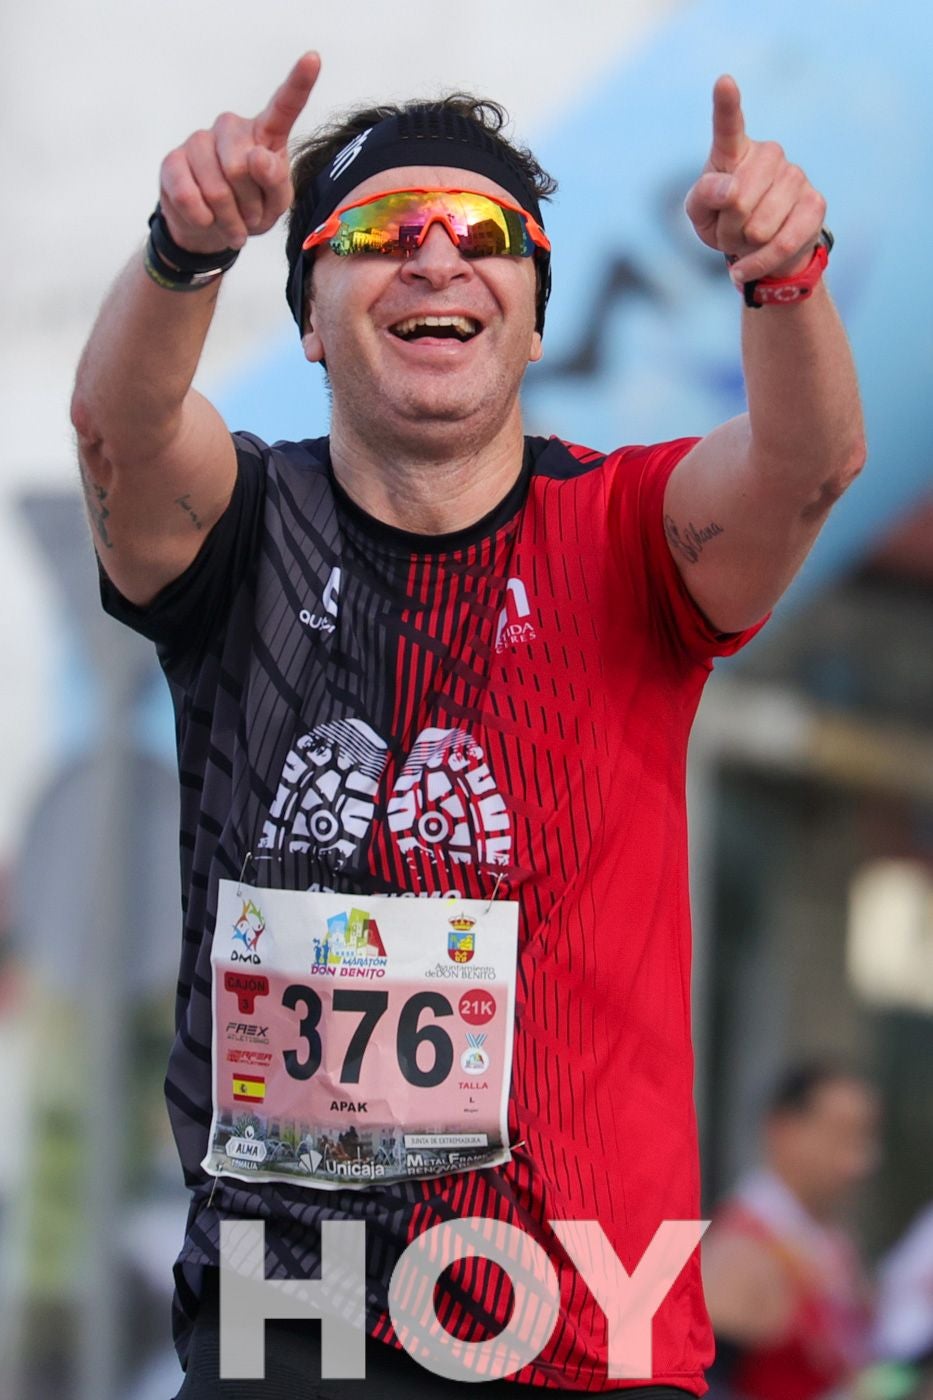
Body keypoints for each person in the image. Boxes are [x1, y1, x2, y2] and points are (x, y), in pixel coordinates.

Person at [70, 48, 866, 1400]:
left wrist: (783, 277)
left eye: (484, 233)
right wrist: (183, 254)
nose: (436, 258)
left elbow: (805, 467)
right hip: (298, 1317)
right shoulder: (245, 528)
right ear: (312, 317)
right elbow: (121, 434)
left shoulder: (627, 534)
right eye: (381, 233)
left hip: (587, 1328)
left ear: (536, 320)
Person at [702, 1062, 880, 1399]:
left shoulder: (834, 1244)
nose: (860, 1162)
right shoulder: (739, 1248)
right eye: (841, 1135)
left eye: (865, 1138)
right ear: (783, 1130)